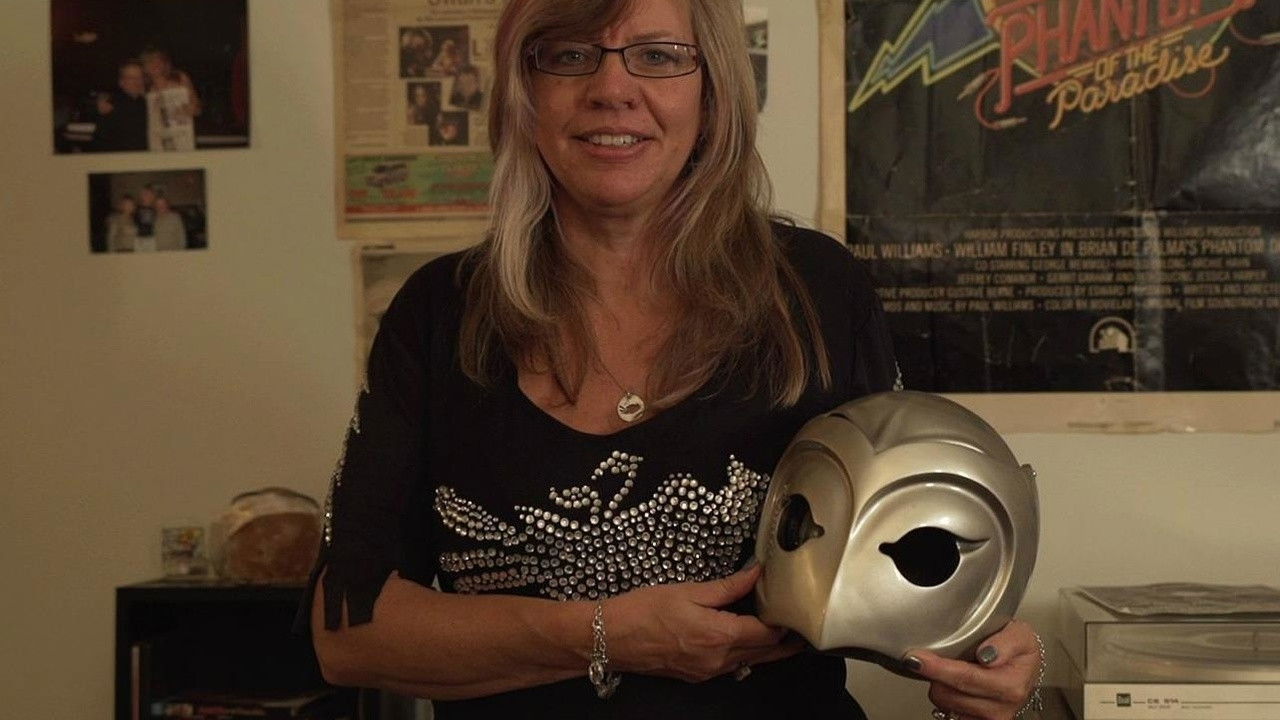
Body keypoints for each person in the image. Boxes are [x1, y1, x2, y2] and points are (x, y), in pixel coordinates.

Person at [301, 1, 1044, 718]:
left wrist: (986, 654)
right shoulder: (440, 312)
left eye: (658, 56)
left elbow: (903, 569)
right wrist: (607, 636)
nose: (612, 89)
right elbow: (345, 636)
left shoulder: (818, 293)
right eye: (569, 55)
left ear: (712, 92)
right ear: (524, 92)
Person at [93, 59, 148, 152]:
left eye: (140, 77)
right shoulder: (110, 104)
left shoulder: (148, 103)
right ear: (121, 82)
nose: (137, 81)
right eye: (131, 78)